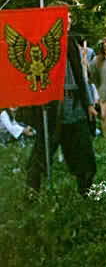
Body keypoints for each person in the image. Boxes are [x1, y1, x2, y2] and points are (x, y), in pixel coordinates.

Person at [25, 12, 98, 196]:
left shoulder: (71, 41)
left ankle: (85, 193)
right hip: (51, 107)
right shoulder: (41, 42)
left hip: (75, 104)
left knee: (83, 152)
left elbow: (81, 76)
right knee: (41, 152)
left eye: (70, 17)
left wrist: (89, 103)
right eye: (65, 16)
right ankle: (32, 193)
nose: (69, 20)